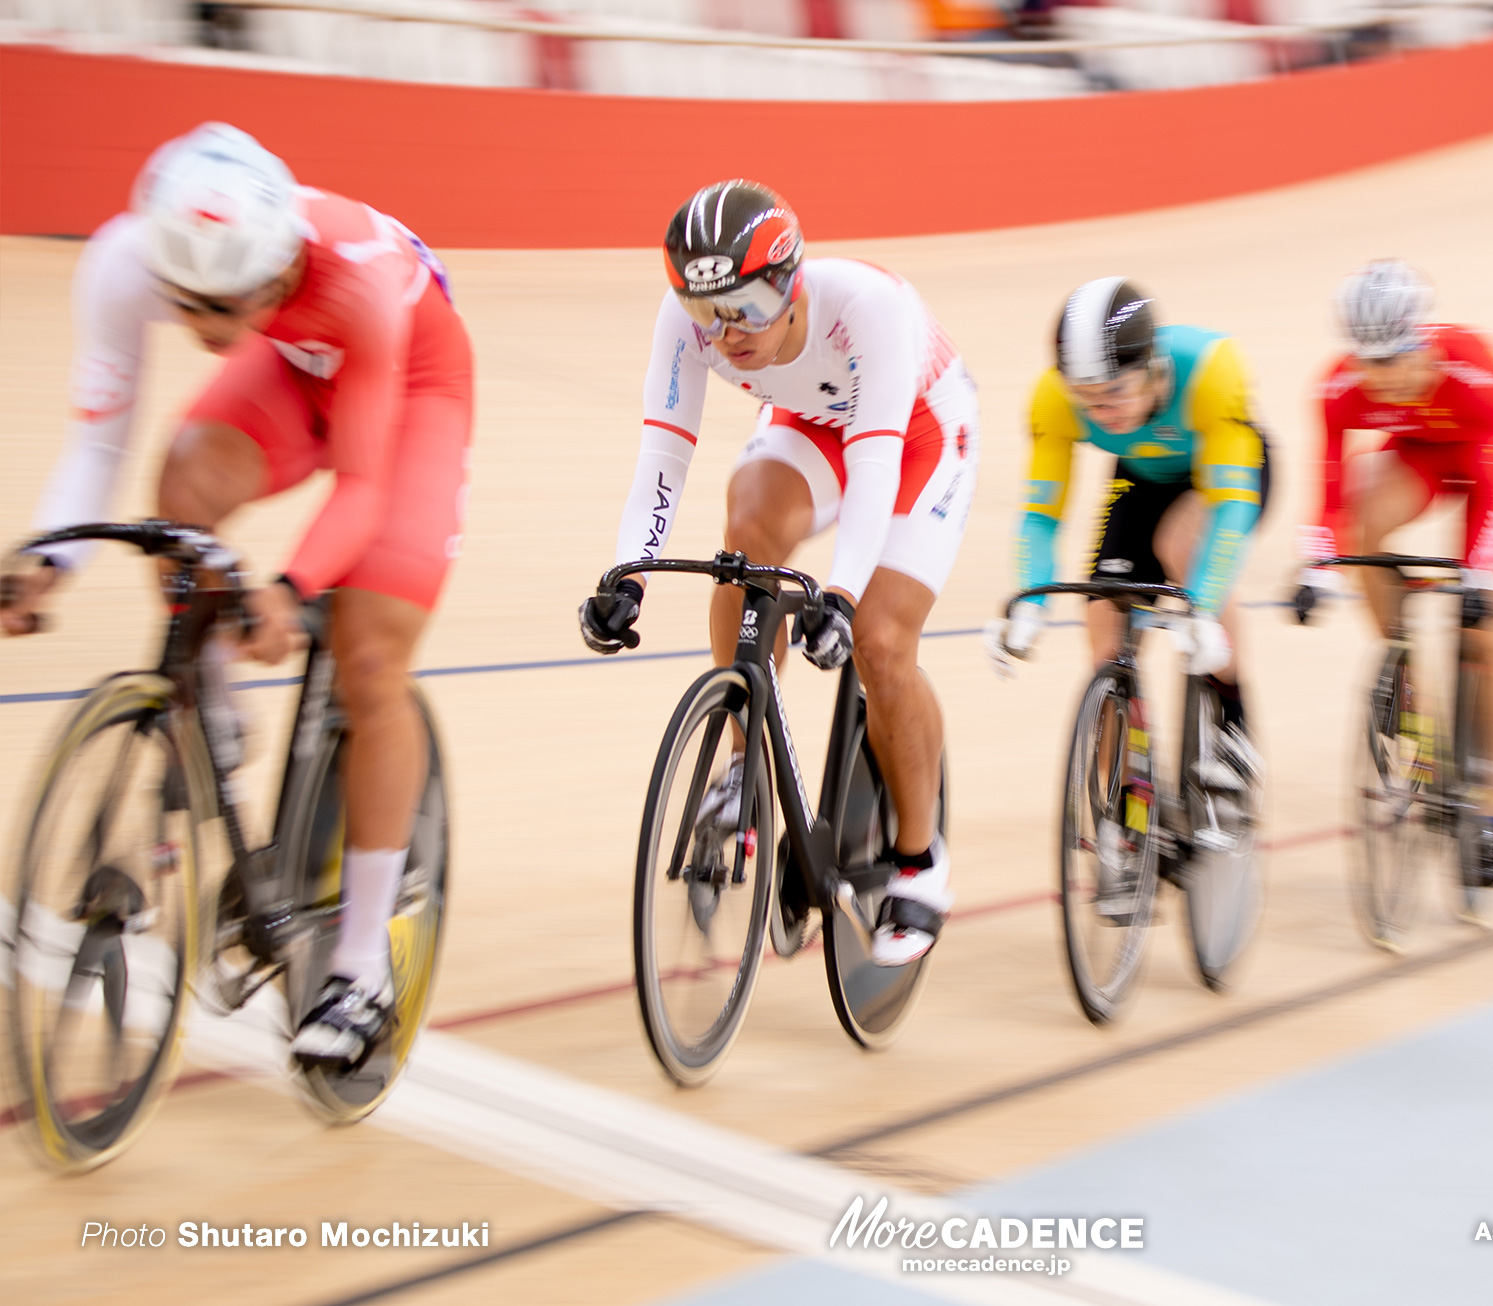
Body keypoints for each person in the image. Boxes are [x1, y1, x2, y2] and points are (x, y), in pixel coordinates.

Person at [1, 123, 473, 1070]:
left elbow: (364, 486)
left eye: (224, 305)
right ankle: (208, 708)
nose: (204, 328)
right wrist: (49, 561)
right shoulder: (129, 260)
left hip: (408, 379)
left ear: (275, 265)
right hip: (298, 361)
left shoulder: (354, 282)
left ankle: (360, 970)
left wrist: (291, 588)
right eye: (187, 305)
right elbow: (99, 443)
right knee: (180, 495)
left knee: (371, 653)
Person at [579, 180, 979, 968]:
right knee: (746, 535)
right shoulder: (692, 325)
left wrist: (840, 596)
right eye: (707, 312)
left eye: (750, 305)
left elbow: (875, 467)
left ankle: (919, 860)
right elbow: (663, 457)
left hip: (918, 435)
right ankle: (741, 762)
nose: (728, 333)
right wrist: (628, 576)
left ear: (792, 280)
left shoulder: (869, 308)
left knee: (881, 641)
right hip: (808, 423)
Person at [1292, 259, 1493, 888]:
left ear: (1424, 342)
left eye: (1398, 359)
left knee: (1489, 628)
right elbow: (1325, 491)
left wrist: (1484, 578)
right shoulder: (1340, 388)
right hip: (1419, 457)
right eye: (1369, 364)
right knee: (1359, 529)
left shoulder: (1475, 373)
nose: (1384, 378)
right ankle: (1405, 670)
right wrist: (1318, 566)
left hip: (1490, 463)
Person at [985, 277, 1268, 791]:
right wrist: (1028, 603)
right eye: (1085, 400)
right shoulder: (1052, 400)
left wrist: (1201, 607)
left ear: (1154, 367)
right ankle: (1125, 809)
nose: (1101, 414)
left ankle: (1234, 720)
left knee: (1181, 547)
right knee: (1104, 621)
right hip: (1142, 477)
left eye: (1115, 393)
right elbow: (1041, 515)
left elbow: (1231, 508)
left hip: (1224, 475)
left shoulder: (1211, 372)